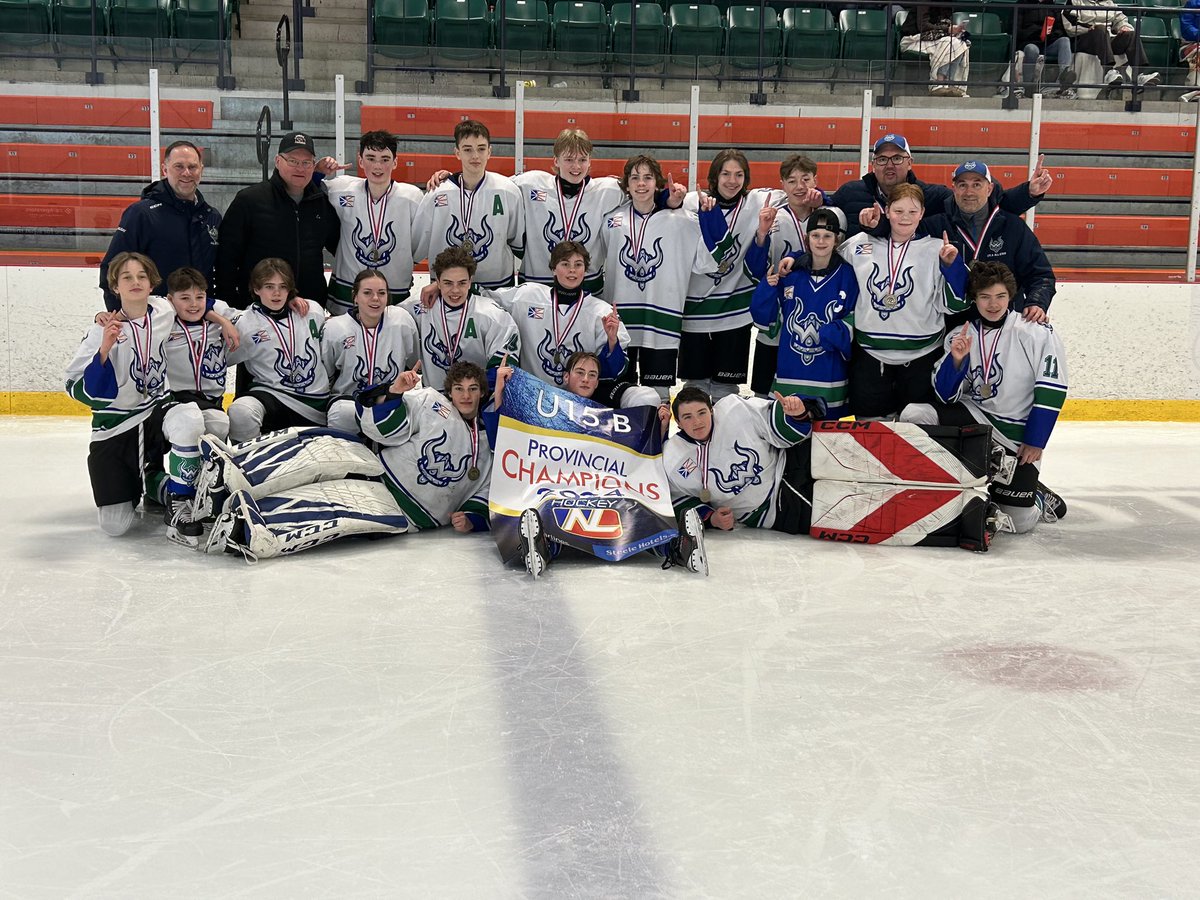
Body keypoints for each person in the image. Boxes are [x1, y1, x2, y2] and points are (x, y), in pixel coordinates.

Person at [664, 386, 1008, 550]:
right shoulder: (675, 457)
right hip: (776, 510)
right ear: (678, 422)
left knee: (876, 460)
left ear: (712, 409)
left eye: (702, 413)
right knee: (869, 503)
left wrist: (795, 413)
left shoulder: (733, 410)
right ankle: (970, 519)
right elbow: (677, 500)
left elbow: (781, 430)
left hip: (794, 459)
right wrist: (710, 518)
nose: (697, 422)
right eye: (687, 417)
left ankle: (977, 455)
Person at [489, 354, 705, 578]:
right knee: (551, 509)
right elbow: (506, 436)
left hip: (605, 487)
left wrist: (658, 427)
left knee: (636, 508)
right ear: (566, 377)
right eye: (580, 373)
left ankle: (677, 548)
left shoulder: (614, 415)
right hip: (561, 487)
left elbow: (643, 457)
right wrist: (500, 390)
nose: (586, 379)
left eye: (592, 375)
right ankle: (542, 548)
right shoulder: (542, 408)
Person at [899, 261, 1069, 532]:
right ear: (974, 299)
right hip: (976, 419)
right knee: (914, 414)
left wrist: (1035, 441)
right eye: (985, 297)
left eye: (1000, 296)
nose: (993, 304)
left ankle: (1036, 493)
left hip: (1015, 434)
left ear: (1010, 296)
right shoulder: (960, 335)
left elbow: (1052, 389)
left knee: (1019, 523)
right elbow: (946, 397)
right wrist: (956, 362)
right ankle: (939, 487)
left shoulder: (1035, 331)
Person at [825, 183, 969, 419]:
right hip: (870, 357)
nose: (905, 218)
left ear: (922, 213)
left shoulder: (937, 249)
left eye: (913, 212)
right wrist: (795, 260)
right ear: (886, 210)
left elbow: (957, 303)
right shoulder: (859, 244)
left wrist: (951, 268)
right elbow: (826, 266)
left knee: (916, 431)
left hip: (921, 357)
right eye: (898, 211)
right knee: (871, 434)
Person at [864, 160, 1056, 326]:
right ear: (953, 188)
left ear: (989, 189)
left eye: (977, 184)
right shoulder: (936, 225)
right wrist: (877, 225)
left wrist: (1036, 302)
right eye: (962, 185)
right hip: (952, 324)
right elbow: (900, 235)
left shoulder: (1013, 227)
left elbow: (1040, 274)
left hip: (1004, 324)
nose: (969, 192)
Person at [598, 154, 725, 401]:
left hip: (661, 324)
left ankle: (659, 439)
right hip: (620, 323)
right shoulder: (611, 221)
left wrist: (712, 218)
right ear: (627, 184)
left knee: (658, 398)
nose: (641, 184)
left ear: (658, 184)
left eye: (647, 178)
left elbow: (710, 260)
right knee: (618, 393)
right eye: (635, 178)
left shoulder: (681, 221)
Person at [66, 252, 174, 536]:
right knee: (115, 526)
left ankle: (173, 488)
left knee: (194, 421)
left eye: (142, 276)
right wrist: (104, 349)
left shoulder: (164, 310)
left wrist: (221, 320)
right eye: (127, 277)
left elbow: (198, 301)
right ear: (115, 287)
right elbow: (72, 384)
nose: (135, 282)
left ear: (153, 284)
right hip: (116, 425)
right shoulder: (101, 331)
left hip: (155, 413)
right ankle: (152, 480)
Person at [680, 149, 777, 400]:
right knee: (695, 387)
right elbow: (665, 204)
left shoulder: (756, 202)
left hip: (735, 313)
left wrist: (817, 195)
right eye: (726, 174)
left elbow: (796, 192)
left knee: (727, 391)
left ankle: (725, 439)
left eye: (739, 174)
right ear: (714, 176)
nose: (732, 181)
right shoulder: (693, 202)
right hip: (695, 312)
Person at [828, 134, 1052, 238]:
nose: (889, 165)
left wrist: (1029, 193)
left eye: (897, 158)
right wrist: (816, 199)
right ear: (873, 164)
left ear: (909, 163)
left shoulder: (932, 196)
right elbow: (820, 221)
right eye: (882, 159)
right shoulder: (850, 192)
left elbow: (985, 204)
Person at [749, 207, 857, 418]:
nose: (821, 241)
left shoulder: (847, 275)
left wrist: (834, 332)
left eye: (828, 236)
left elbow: (856, 316)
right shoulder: (791, 275)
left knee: (827, 438)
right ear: (807, 239)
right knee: (789, 428)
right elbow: (768, 321)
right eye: (816, 235)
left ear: (837, 239)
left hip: (829, 373)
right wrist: (767, 290)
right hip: (791, 369)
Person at [158, 266, 239, 543]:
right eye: (184, 298)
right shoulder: (162, 320)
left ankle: (204, 495)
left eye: (199, 297)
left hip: (210, 402)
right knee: (190, 420)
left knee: (220, 423)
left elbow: (256, 313)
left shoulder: (219, 319)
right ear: (170, 300)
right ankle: (178, 502)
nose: (193, 304)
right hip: (172, 404)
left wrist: (221, 319)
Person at [215, 131, 340, 309]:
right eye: (293, 161)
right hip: (260, 310)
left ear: (313, 166)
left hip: (309, 307)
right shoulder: (250, 200)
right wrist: (229, 304)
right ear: (278, 161)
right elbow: (227, 257)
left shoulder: (321, 202)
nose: (300, 168)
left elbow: (340, 246)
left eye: (306, 163)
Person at [483, 241, 630, 389]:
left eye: (578, 265)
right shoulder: (527, 295)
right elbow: (484, 297)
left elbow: (614, 372)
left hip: (575, 401)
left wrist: (612, 342)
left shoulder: (602, 313)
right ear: (553, 269)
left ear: (585, 271)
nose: (572, 270)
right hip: (529, 396)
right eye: (565, 264)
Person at [99, 140, 221, 311]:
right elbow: (112, 267)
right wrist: (120, 316)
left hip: (199, 319)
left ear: (201, 169)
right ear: (165, 169)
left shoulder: (211, 216)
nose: (187, 173)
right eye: (179, 166)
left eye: (192, 167)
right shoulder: (142, 214)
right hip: (155, 321)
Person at [313, 130, 425, 313]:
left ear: (395, 162)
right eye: (371, 158)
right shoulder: (342, 188)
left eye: (385, 159)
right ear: (360, 160)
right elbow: (305, 191)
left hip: (393, 291)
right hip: (346, 290)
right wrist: (318, 172)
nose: (377, 166)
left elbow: (420, 243)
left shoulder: (411, 197)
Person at [744, 154, 827, 396]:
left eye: (806, 179)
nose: (800, 186)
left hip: (816, 316)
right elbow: (754, 270)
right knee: (763, 393)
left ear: (816, 181)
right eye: (792, 181)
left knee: (810, 390)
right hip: (779, 318)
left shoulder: (831, 216)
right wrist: (761, 233)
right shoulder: (771, 218)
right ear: (782, 184)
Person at [413, 120, 525, 290]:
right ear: (457, 152)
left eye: (481, 149)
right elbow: (416, 249)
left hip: (496, 288)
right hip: (448, 289)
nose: (475, 156)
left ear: (489, 151)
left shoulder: (508, 191)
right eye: (467, 149)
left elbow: (516, 241)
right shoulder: (436, 193)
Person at [513, 128, 626, 297]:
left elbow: (644, 194)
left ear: (590, 162)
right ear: (556, 160)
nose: (576, 166)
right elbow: (495, 188)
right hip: (538, 289)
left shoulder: (607, 190)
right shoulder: (531, 184)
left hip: (587, 290)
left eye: (582, 159)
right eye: (569, 159)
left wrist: (668, 199)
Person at [226, 258, 329, 441]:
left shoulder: (312, 310)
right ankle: (246, 464)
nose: (277, 293)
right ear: (256, 289)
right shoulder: (245, 324)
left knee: (346, 413)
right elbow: (221, 359)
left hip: (316, 401)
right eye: (269, 286)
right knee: (241, 411)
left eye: (282, 286)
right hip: (273, 395)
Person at [322, 269, 419, 435]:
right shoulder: (335, 329)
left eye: (381, 293)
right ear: (355, 296)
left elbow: (415, 360)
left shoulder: (402, 321)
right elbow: (326, 375)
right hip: (350, 401)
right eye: (367, 293)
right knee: (339, 413)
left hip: (391, 399)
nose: (375, 299)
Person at [411, 246, 520, 391]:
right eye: (448, 283)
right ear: (437, 282)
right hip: (434, 401)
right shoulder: (421, 307)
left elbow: (503, 368)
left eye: (462, 283)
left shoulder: (491, 314)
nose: (455, 290)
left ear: (470, 281)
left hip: (475, 400)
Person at [1062, 0, 1160, 93]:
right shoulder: (1075, 2)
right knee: (1100, 29)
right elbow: (1069, 26)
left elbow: (1121, 20)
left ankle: (1138, 75)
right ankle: (1109, 72)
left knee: (1131, 34)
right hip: (1084, 38)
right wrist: (1088, 29)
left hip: (1106, 39)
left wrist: (1124, 27)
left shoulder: (1109, 3)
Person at [1006, 0, 1077, 99]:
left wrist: (1051, 35)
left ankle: (1062, 80)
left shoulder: (1052, 6)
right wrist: (1035, 32)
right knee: (1032, 49)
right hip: (1029, 42)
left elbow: (1059, 29)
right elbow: (1014, 29)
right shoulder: (1021, 4)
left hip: (1048, 43)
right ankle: (1028, 86)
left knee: (1064, 40)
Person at [898, 3, 972, 97]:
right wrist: (947, 29)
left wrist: (955, 29)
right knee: (949, 42)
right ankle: (938, 83)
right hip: (914, 38)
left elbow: (944, 25)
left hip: (936, 38)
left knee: (961, 43)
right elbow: (923, 26)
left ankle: (952, 84)